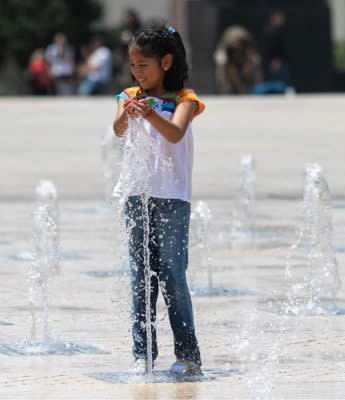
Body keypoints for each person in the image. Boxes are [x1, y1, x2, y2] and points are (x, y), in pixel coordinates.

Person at [112, 23, 205, 376]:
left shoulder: (185, 100)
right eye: (133, 66)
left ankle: (187, 354)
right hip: (138, 196)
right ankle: (143, 353)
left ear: (166, 62)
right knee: (141, 277)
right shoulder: (128, 94)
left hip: (172, 199)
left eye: (144, 66)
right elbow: (118, 129)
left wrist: (151, 112)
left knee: (172, 276)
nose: (137, 73)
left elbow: (176, 133)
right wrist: (128, 110)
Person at [214, 25, 262, 94]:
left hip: (246, 73)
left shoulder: (248, 51)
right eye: (235, 45)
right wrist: (239, 85)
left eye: (239, 44)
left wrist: (248, 65)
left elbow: (253, 57)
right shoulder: (226, 53)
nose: (237, 47)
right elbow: (225, 64)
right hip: (230, 73)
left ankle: (257, 89)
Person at [255, 8, 291, 94]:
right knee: (275, 84)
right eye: (280, 18)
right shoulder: (270, 32)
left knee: (282, 84)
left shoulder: (279, 31)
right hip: (274, 63)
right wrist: (273, 61)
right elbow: (268, 49)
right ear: (274, 18)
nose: (282, 20)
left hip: (279, 62)